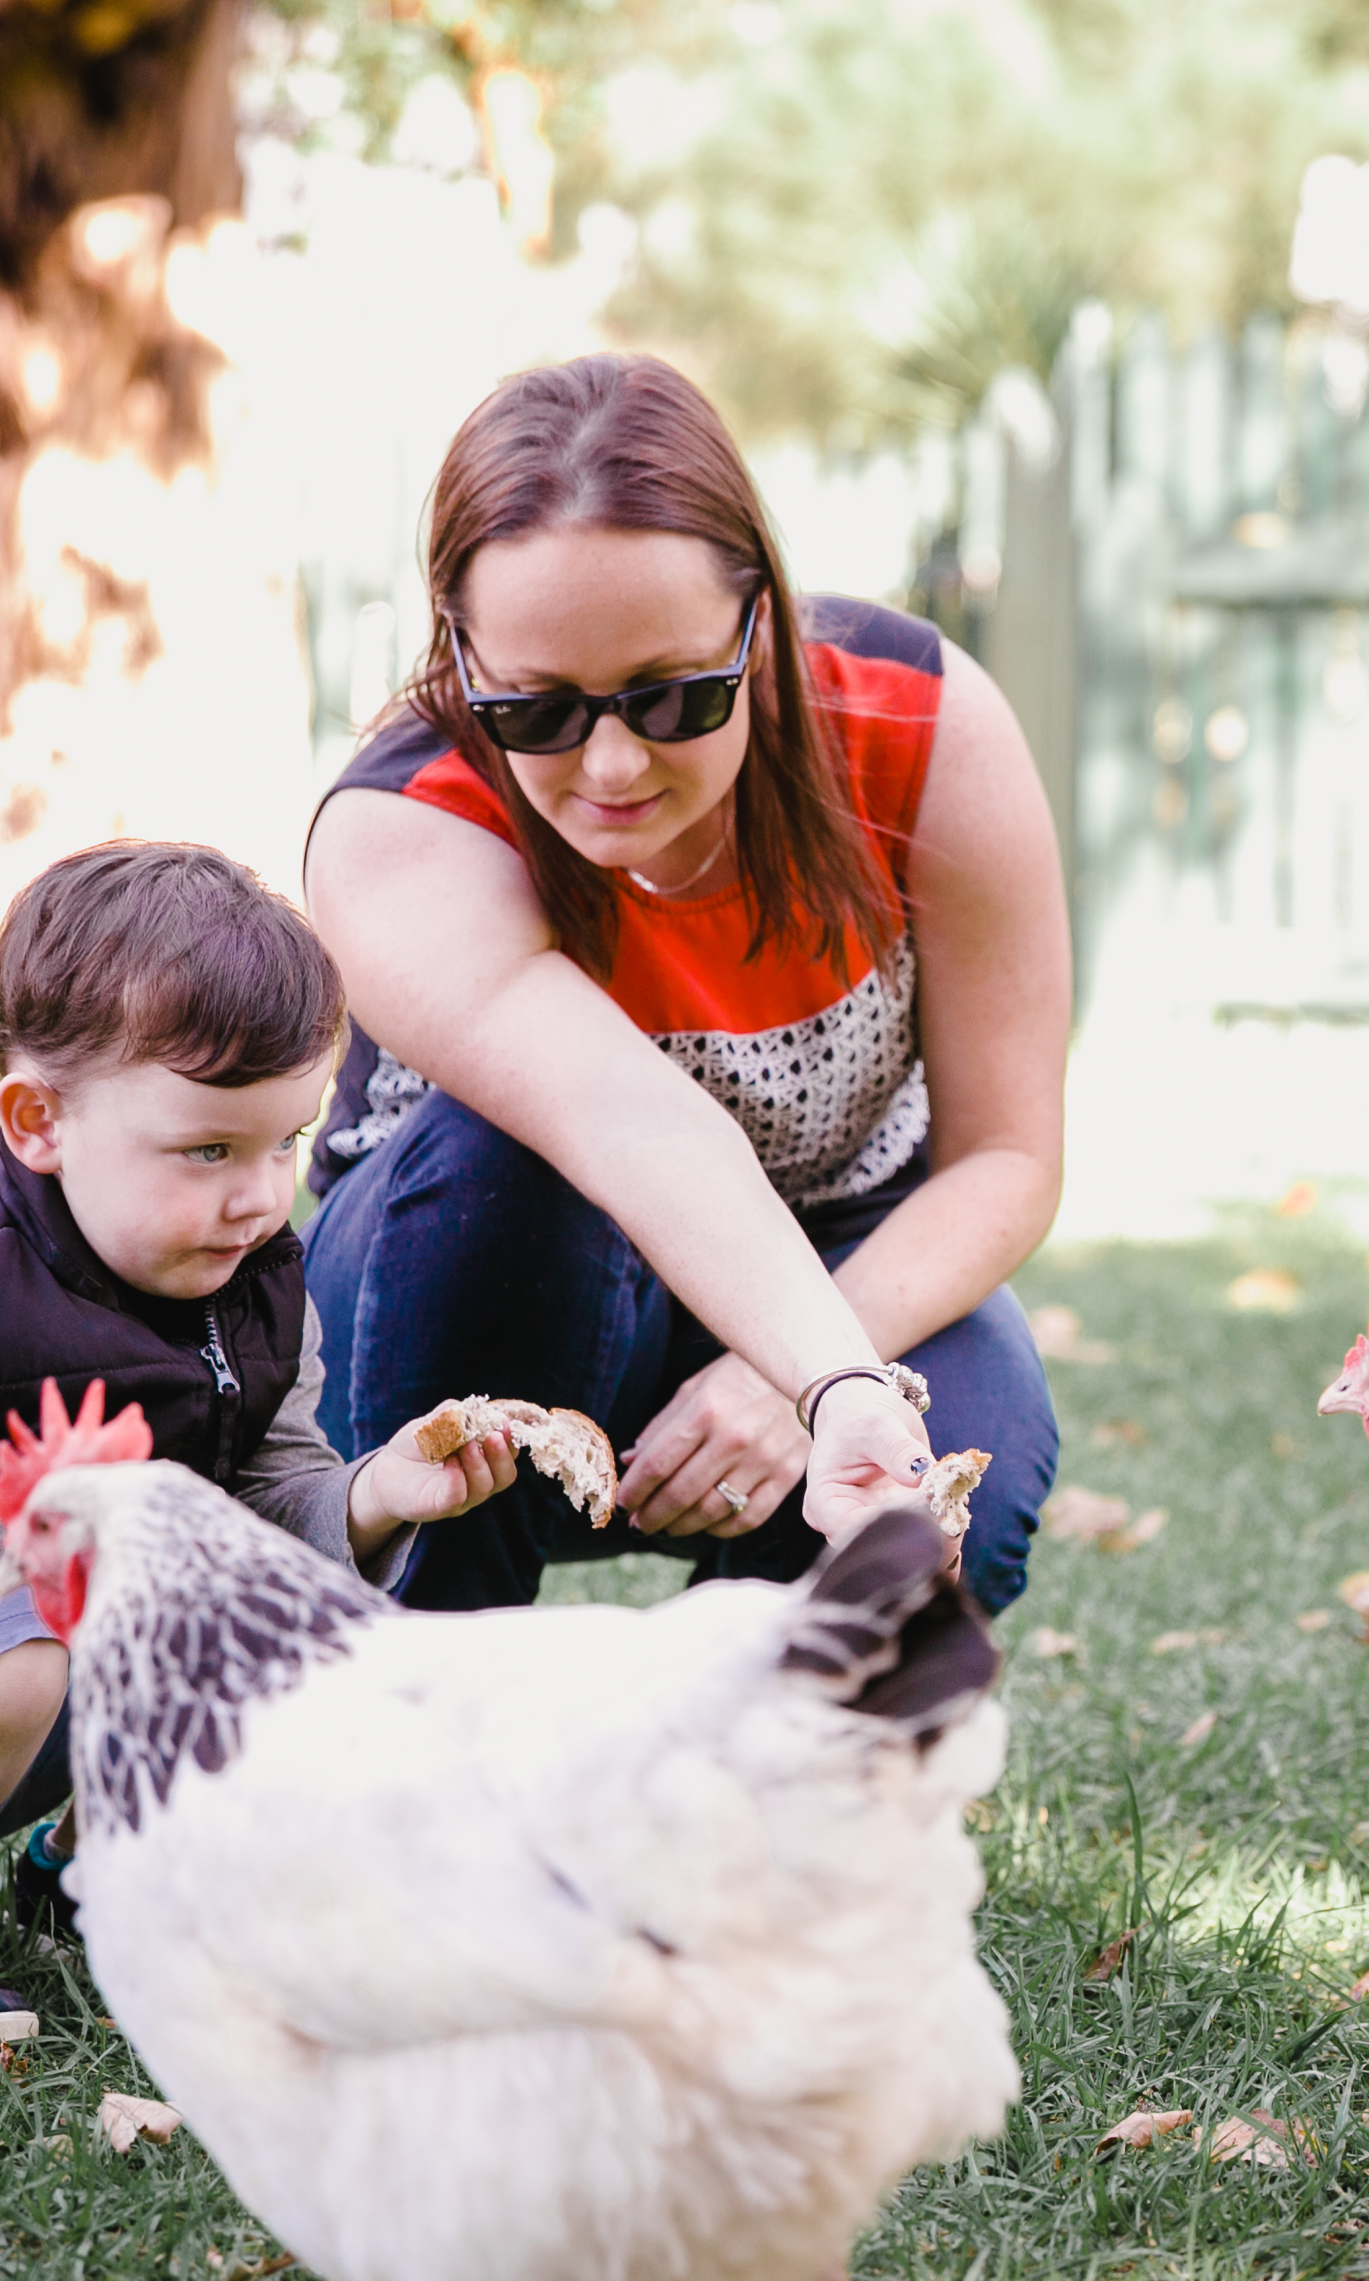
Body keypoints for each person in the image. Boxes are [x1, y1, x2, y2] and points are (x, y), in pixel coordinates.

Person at [0, 841, 522, 2044]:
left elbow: (266, 1504)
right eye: (208, 1150)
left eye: (286, 1143)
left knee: (315, 1633)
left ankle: (91, 1868)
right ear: (39, 1121)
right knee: (32, 1635)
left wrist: (373, 1495)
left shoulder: (256, 1278)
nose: (258, 1197)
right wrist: (95, 1540)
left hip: (43, 1655)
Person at [301, 351, 1070, 1618]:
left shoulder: (915, 721)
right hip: (466, 1304)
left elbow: (1007, 1159)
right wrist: (826, 1374)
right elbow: (622, 1119)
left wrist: (804, 1376)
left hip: (831, 1271)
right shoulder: (403, 821)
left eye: (669, 696)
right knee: (500, 1169)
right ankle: (421, 1698)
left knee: (951, 1491)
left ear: (759, 620)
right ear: (459, 650)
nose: (608, 763)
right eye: (535, 709)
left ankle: (762, 1768)